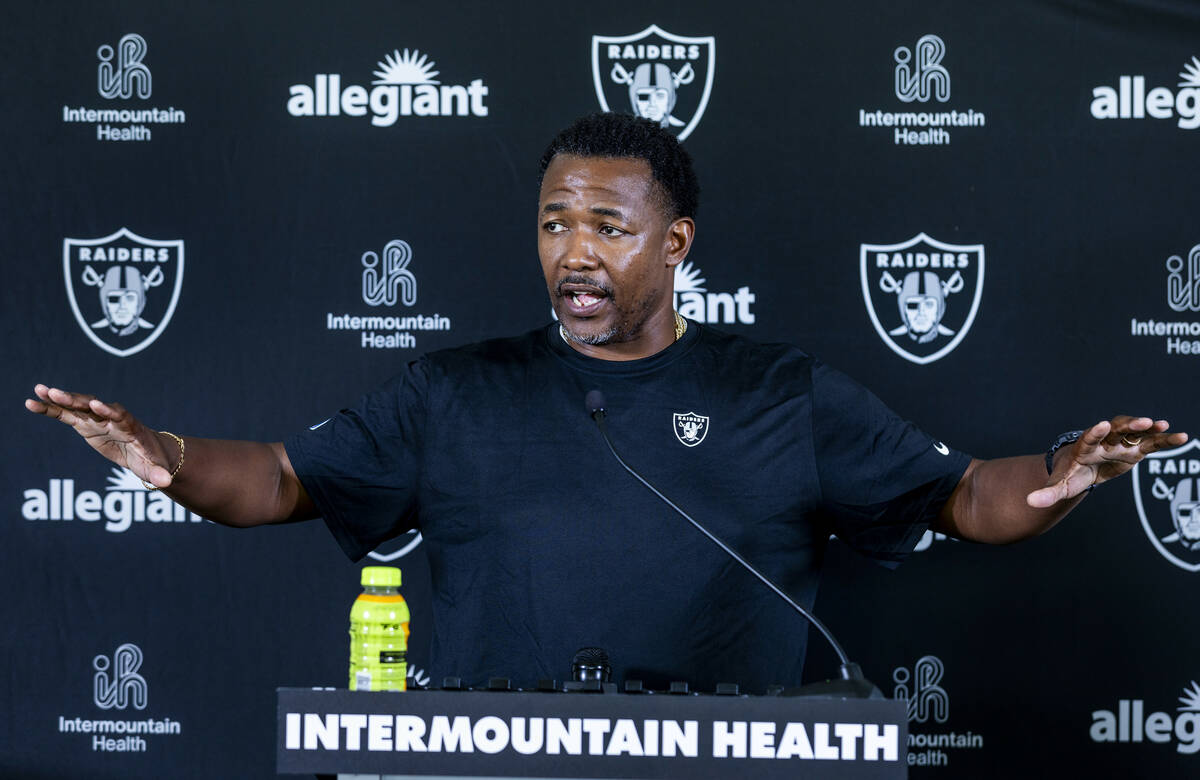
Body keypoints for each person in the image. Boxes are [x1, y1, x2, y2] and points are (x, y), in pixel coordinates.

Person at [26, 113, 1187, 692]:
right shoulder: (455, 390)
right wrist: (165, 454)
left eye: (606, 227)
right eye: (553, 223)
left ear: (674, 244)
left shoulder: (779, 392)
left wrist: (1060, 478)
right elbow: (285, 479)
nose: (573, 252)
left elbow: (962, 497)